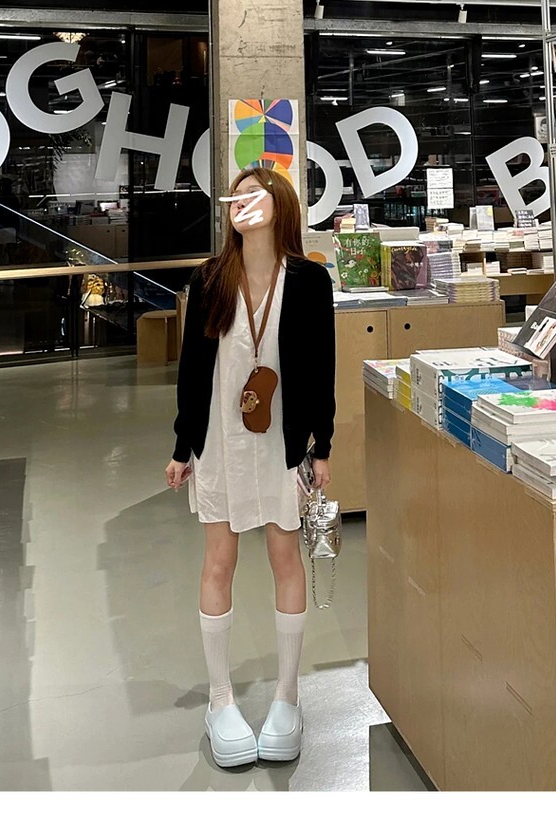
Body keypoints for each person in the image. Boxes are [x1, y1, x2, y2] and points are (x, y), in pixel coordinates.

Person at [165, 166, 336, 769]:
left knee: (286, 558)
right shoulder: (210, 279)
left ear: (280, 204)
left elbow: (321, 367)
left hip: (282, 444)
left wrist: (322, 447)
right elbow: (192, 370)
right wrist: (182, 446)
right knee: (220, 559)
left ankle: (287, 696)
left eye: (251, 195)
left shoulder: (310, 280)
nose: (239, 204)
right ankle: (220, 698)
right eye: (233, 198)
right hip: (219, 441)